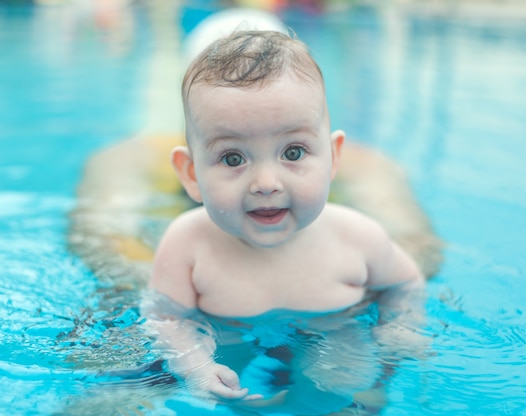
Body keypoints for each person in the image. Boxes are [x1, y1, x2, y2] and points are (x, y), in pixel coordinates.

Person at [145, 29, 427, 405]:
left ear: (333, 157)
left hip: (334, 332)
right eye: (233, 158)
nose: (265, 183)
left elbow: (405, 283)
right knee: (228, 395)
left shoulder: (358, 238)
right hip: (228, 343)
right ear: (192, 174)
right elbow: (166, 320)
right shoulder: (187, 244)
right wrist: (194, 364)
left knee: (348, 380)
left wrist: (401, 326)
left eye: (293, 153)